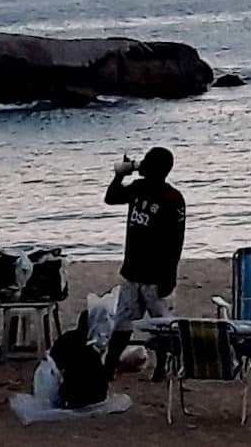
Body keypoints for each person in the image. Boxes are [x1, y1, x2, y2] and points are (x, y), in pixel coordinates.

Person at [104, 147, 185, 377]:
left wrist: (168, 276)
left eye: (147, 162)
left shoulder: (172, 199)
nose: (142, 165)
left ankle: (161, 367)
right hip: (133, 271)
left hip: (157, 275)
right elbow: (111, 198)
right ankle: (109, 366)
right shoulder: (138, 189)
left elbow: (175, 242)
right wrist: (120, 175)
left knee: (162, 326)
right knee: (123, 322)